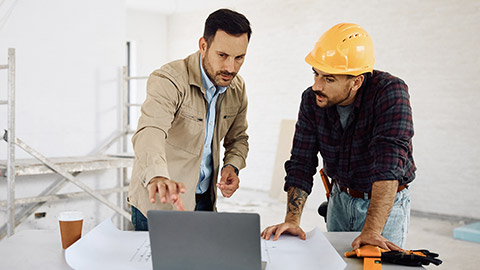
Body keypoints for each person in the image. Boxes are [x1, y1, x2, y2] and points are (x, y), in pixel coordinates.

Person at [261, 23, 415, 251]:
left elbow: (388, 165)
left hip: (385, 204)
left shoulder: (390, 93)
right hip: (339, 199)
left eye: (329, 79)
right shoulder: (311, 100)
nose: (316, 86)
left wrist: (372, 231)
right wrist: (292, 221)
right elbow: (301, 161)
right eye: (316, 74)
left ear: (356, 82)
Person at [127, 8, 252, 231]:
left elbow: (239, 138)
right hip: (160, 203)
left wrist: (232, 165)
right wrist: (157, 175)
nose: (230, 68)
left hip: (205, 200)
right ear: (203, 46)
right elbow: (150, 130)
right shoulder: (169, 79)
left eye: (239, 58)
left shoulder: (236, 87)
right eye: (222, 55)